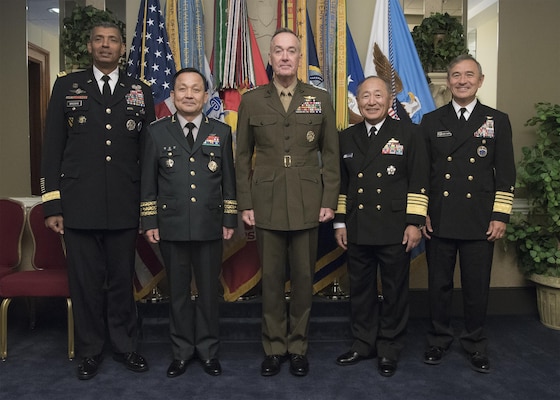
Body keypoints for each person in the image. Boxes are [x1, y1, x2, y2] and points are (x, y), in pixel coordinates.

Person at [41, 22, 155, 380]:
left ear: (123, 48)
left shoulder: (140, 90)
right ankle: (90, 350)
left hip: (124, 202)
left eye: (113, 41)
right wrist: (53, 204)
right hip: (78, 204)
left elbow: (148, 153)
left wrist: (146, 208)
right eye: (99, 40)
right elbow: (51, 149)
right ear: (89, 46)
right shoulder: (66, 86)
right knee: (86, 282)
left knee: (122, 280)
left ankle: (125, 345)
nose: (106, 46)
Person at [235, 28, 340, 377]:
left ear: (299, 58)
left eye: (291, 50)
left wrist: (329, 200)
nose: (284, 56)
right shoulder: (252, 100)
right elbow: (241, 157)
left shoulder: (319, 98)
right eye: (278, 50)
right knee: (272, 279)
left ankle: (298, 346)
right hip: (265, 201)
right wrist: (245, 203)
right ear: (269, 57)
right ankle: (273, 347)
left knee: (304, 278)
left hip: (308, 200)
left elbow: (331, 155)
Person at [420, 54, 516, 373]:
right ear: (447, 82)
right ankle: (438, 339)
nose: (462, 80)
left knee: (476, 286)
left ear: (480, 80)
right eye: (456, 75)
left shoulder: (497, 120)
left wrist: (500, 216)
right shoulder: (431, 121)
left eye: (469, 75)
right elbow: (423, 174)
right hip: (441, 217)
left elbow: (505, 172)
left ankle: (475, 343)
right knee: (439, 285)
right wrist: (422, 214)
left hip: (479, 218)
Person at [140, 67, 237, 378]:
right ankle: (181, 351)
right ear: (172, 95)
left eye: (196, 89)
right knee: (178, 293)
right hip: (172, 224)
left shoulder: (221, 132)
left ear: (206, 96)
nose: (189, 95)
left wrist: (230, 217)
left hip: (210, 224)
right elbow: (148, 183)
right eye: (183, 89)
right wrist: (149, 220)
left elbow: (230, 182)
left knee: (209, 292)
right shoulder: (156, 131)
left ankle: (208, 351)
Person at [333, 76, 429, 377]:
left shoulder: (409, 134)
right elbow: (342, 185)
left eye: (378, 96)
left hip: (394, 227)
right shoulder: (346, 137)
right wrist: (339, 222)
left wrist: (414, 223)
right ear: (357, 102)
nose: (371, 101)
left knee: (394, 291)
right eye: (365, 96)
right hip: (358, 227)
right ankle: (363, 343)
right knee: (360, 290)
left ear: (389, 101)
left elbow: (419, 182)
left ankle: (389, 348)